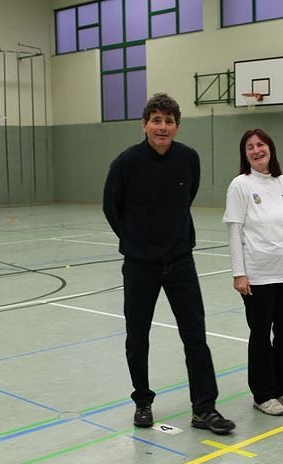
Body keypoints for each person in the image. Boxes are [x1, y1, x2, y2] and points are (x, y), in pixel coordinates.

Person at [103, 93, 235, 435]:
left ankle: (204, 408)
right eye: (156, 120)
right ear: (145, 125)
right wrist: (136, 241)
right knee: (137, 337)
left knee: (195, 336)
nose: (163, 127)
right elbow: (111, 207)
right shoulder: (126, 163)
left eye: (169, 121)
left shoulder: (188, 158)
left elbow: (187, 197)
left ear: (177, 126)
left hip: (180, 261)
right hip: (140, 265)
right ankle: (142, 402)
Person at [222, 128, 283, 416]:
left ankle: (282, 387)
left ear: (270, 148)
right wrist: (239, 273)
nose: (256, 150)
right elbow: (234, 231)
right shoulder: (240, 185)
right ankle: (262, 394)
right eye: (250, 147)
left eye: (260, 144)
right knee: (260, 335)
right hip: (258, 276)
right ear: (245, 154)